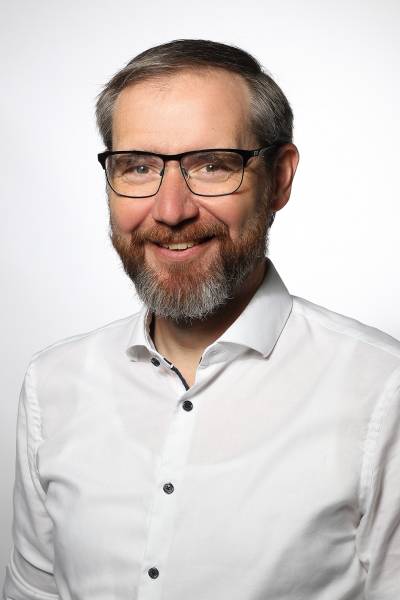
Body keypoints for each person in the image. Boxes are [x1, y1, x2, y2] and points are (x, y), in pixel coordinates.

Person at [3, 39, 400, 600]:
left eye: (212, 164)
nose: (171, 211)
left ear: (280, 179)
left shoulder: (384, 391)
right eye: (138, 167)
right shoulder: (53, 384)